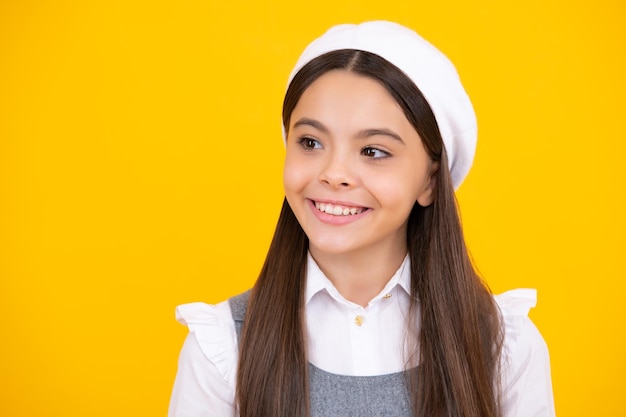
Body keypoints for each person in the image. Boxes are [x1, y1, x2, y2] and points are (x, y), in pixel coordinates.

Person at [167, 21, 555, 417]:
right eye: (311, 143)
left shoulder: (504, 347)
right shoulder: (222, 348)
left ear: (431, 180)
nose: (334, 173)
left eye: (372, 151)